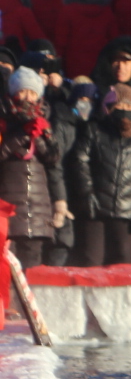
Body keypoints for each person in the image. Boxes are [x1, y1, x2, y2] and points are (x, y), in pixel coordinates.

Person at [70, 82, 131, 267]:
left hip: (126, 211)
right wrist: (86, 193)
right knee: (91, 260)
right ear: (107, 108)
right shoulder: (94, 131)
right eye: (119, 105)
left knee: (124, 262)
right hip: (94, 208)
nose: (124, 110)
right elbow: (80, 161)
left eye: (129, 106)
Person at [0, 67, 67, 266]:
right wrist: (21, 136)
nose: (28, 97)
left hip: (37, 212)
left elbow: (53, 160)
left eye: (33, 92)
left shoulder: (44, 123)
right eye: (23, 91)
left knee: (32, 273)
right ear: (13, 93)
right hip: (7, 210)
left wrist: (38, 137)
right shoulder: (4, 122)